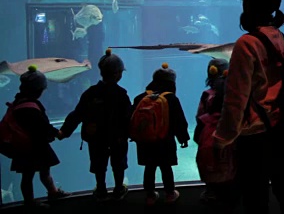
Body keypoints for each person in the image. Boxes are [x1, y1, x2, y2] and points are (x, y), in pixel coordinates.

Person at [213, 0, 284, 214]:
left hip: (255, 133)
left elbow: (236, 97)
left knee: (255, 196)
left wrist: (223, 137)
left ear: (247, 4)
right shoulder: (281, 37)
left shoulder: (246, 44)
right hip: (281, 127)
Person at [59, 48, 131, 202]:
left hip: (96, 137)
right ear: (118, 73)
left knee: (99, 164)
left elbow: (77, 114)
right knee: (118, 163)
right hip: (117, 137)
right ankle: (119, 189)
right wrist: (133, 134)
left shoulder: (90, 93)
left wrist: (64, 131)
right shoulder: (121, 94)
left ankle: (101, 189)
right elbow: (128, 117)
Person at [9, 65, 70, 208]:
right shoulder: (30, 107)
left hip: (23, 146)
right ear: (39, 90)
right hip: (33, 147)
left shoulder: (18, 103)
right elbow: (43, 126)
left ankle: (45, 194)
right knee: (38, 173)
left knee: (29, 175)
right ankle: (35, 200)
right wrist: (57, 133)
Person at [131, 62, 190, 206]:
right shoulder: (171, 98)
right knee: (165, 167)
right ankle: (170, 194)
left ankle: (150, 195)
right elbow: (179, 121)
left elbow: (132, 118)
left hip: (145, 141)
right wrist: (183, 138)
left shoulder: (140, 97)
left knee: (149, 168)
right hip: (165, 141)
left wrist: (134, 136)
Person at [194, 58, 236, 208]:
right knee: (230, 164)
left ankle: (210, 191)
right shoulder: (234, 93)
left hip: (208, 137)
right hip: (230, 138)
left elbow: (199, 116)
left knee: (211, 163)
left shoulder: (207, 94)